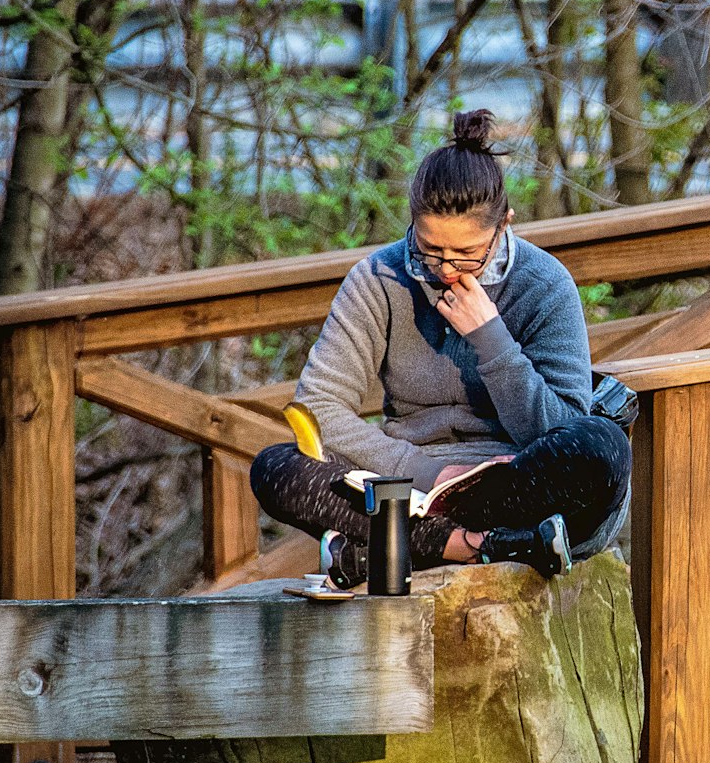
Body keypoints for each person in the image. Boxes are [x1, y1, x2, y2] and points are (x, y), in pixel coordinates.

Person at [249, 109, 631, 587]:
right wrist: (425, 471)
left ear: (505, 224)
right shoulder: (378, 278)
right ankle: (481, 547)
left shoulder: (545, 284)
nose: (446, 268)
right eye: (430, 249)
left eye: (467, 253)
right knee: (274, 469)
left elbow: (560, 426)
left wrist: (491, 338)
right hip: (408, 484)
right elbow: (319, 404)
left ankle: (390, 549)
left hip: (515, 481)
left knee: (602, 447)